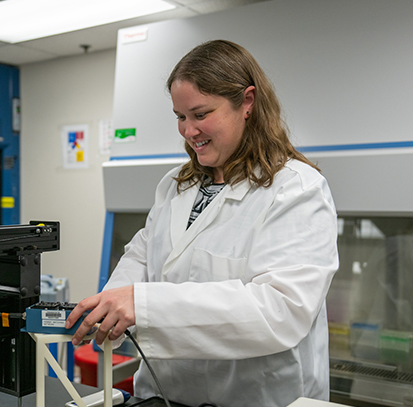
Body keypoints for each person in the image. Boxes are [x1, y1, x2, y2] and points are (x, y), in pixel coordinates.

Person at [66, 39, 339, 407]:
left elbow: (281, 310)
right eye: (180, 117)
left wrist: (144, 305)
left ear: (247, 102)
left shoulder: (296, 188)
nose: (188, 130)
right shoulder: (177, 185)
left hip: (257, 398)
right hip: (164, 394)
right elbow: (143, 255)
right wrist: (114, 305)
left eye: (200, 114)